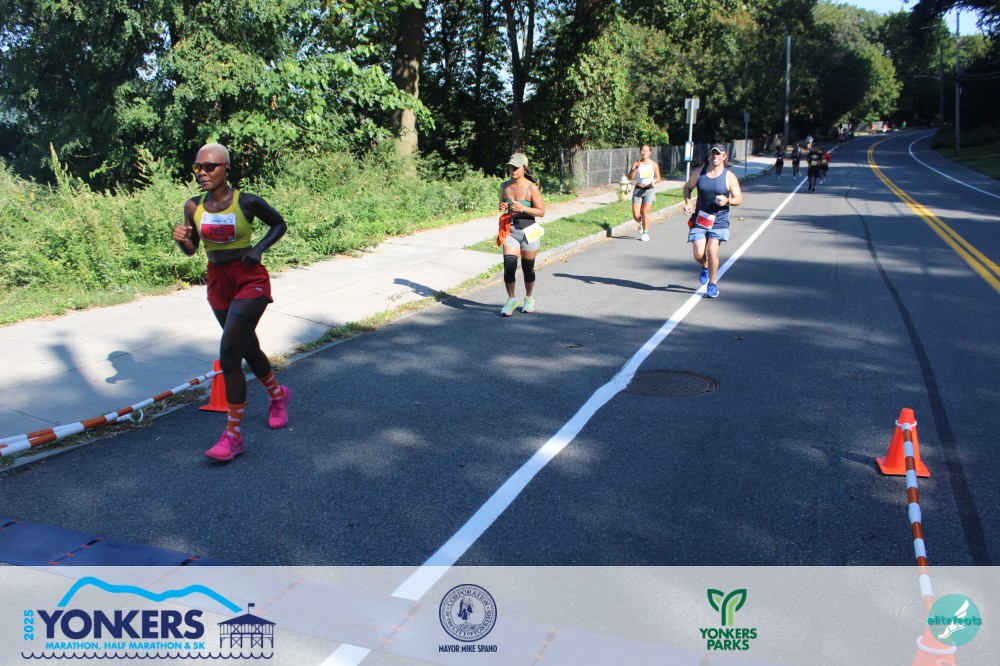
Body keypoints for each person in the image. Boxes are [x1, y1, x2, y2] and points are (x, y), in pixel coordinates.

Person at [172, 142, 291, 462]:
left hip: (250, 279)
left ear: (226, 168)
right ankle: (279, 395)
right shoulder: (193, 206)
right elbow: (192, 250)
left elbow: (279, 224)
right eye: (197, 167)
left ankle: (233, 436)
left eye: (209, 166)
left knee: (229, 354)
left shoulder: (247, 201)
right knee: (248, 348)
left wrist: (259, 248)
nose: (202, 172)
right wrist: (182, 241)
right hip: (217, 282)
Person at [682, 144, 743, 299]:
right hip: (701, 219)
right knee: (698, 254)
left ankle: (712, 285)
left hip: (719, 220)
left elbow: (738, 198)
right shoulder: (699, 173)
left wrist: (727, 200)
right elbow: (687, 188)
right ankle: (705, 266)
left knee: (712, 251)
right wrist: (688, 202)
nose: (715, 156)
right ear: (709, 156)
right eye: (713, 153)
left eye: (718, 154)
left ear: (724, 156)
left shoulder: (729, 176)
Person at [498, 152, 545, 316]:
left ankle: (528, 298)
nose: (513, 170)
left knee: (527, 269)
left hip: (528, 231)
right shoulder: (504, 186)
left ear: (524, 168)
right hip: (511, 230)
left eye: (516, 167)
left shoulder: (532, 188)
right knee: (509, 266)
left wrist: (524, 208)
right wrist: (502, 206)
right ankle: (511, 299)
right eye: (511, 167)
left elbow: (541, 212)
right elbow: (501, 204)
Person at [627, 144, 661, 241]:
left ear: (650, 152)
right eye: (643, 150)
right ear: (640, 151)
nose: (644, 152)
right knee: (636, 215)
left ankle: (645, 233)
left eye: (646, 151)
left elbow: (658, 177)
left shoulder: (653, 164)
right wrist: (635, 168)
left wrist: (654, 181)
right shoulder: (637, 163)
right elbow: (629, 177)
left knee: (645, 212)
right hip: (638, 189)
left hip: (649, 190)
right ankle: (641, 222)